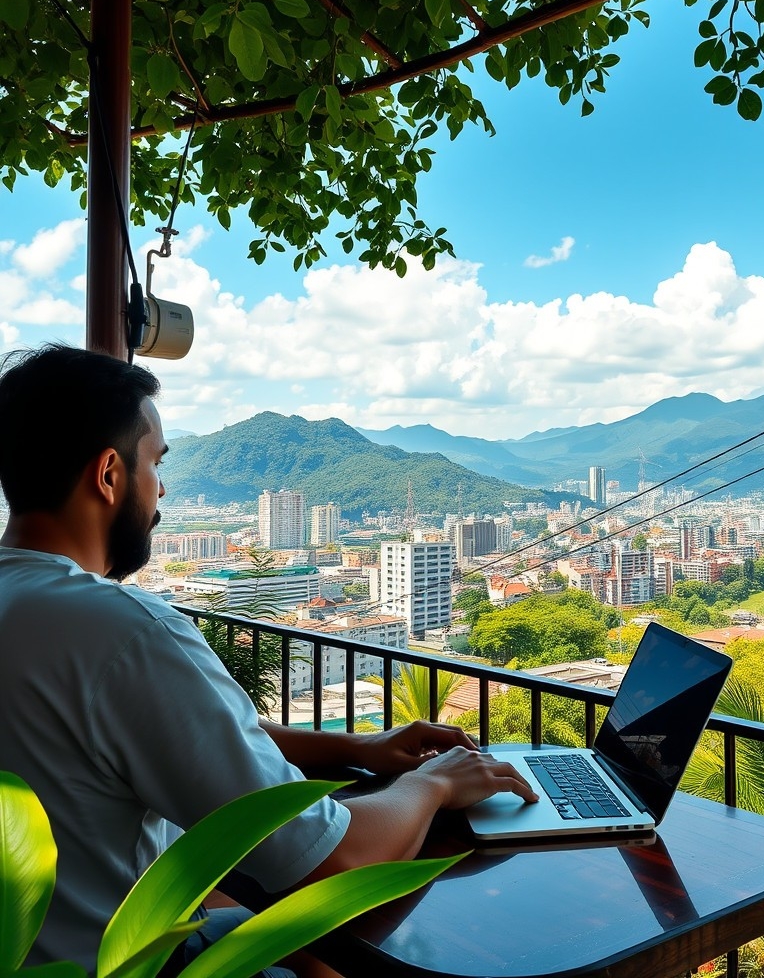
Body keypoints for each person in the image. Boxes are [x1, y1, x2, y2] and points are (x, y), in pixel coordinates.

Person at [0, 344, 537, 974]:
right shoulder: (123, 632)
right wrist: (435, 782)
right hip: (125, 962)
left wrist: (355, 749)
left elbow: (184, 738)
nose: (162, 487)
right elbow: (334, 860)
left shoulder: (28, 606)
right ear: (109, 474)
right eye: (155, 463)